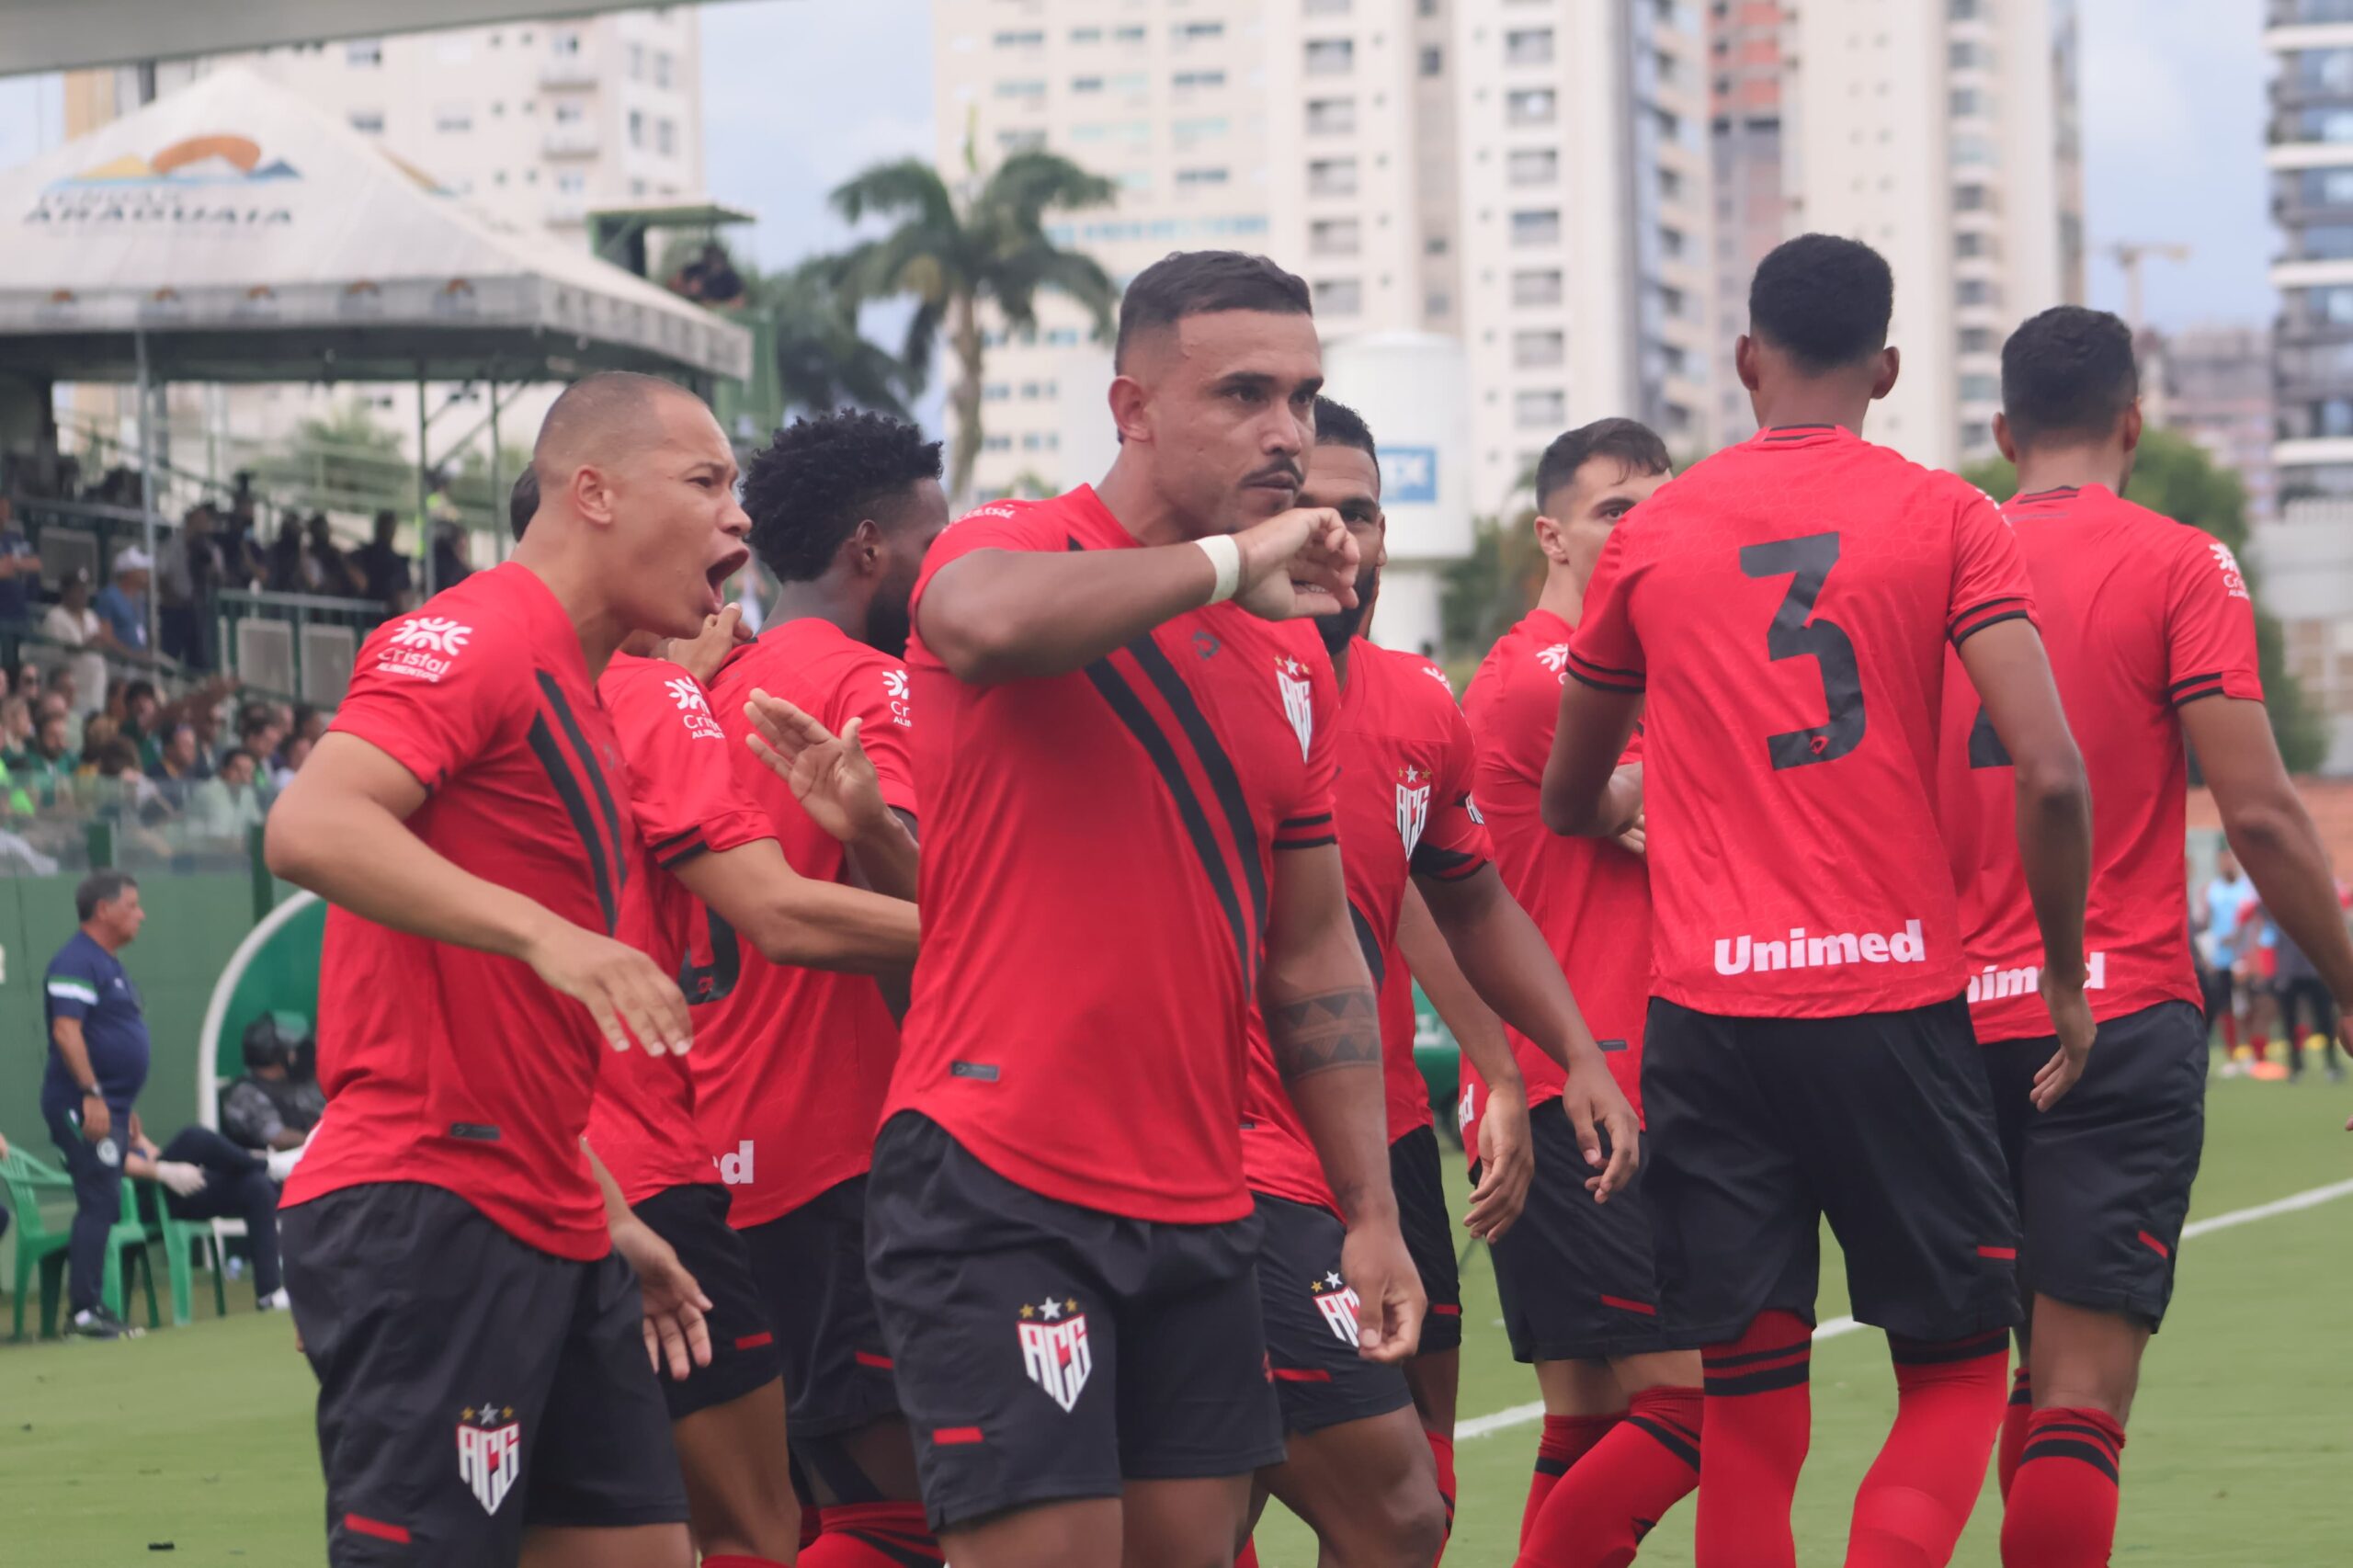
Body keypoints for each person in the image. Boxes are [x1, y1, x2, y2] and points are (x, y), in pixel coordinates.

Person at [1540, 233, 2095, 1568]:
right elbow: (2052, 771)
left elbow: (1567, 794)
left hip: (1709, 1017)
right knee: (1956, 1372)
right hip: (1890, 1000)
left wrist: (1634, 799)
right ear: (1886, 369)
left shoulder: (1651, 532)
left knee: (1747, 1408)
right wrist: (2065, 979)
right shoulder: (1950, 515)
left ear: (1746, 359)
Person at [873, 250, 1431, 1568]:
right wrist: (1234, 560)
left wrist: (1369, 1208)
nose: (1286, 430)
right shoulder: (1016, 541)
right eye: (1244, 394)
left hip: (1203, 1194)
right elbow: (978, 622)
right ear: (1131, 408)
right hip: (1002, 1174)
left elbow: (1315, 954)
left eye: (1302, 395)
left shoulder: (1290, 652)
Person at [264, 370, 756, 1568]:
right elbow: (310, 825)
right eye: (706, 480)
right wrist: (552, 933)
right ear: (593, 491)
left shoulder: (588, 701)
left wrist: (611, 1211)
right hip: (431, 1200)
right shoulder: (480, 633)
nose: (737, 515)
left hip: (559, 1210)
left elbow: (498, 1029)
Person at [1938, 308, 2353, 1567]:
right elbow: (2261, 814)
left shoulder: (1936, 561)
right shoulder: (2179, 561)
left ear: (2003, 431)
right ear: (2134, 421)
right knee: (2080, 1394)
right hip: (2113, 1007)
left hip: (1944, 1025)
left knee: (2022, 1370)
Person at [1232, 401, 1636, 1568]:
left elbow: (1449, 893)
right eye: (1308, 509)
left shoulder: (1415, 704)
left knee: (1421, 1487)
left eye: (1359, 512)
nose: (1335, 537)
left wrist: (1552, 1058)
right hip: (1226, 1147)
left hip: (1384, 1132)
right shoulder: (1188, 678)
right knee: (1284, 1499)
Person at [515, 464, 926, 1568]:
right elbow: (780, 911)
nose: (729, 530)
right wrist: (1012, 942)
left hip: (529, 1168)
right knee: (786, 1525)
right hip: (701, 1160)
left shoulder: (494, 682)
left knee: (605, 1531)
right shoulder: (726, 691)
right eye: (700, 489)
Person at [691, 409, 948, 1566]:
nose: (947, 575)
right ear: (870, 547)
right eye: (933, 544)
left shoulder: (705, 683)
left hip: (715, 1153)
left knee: (772, 1518)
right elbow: (912, 873)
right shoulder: (868, 685)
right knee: (905, 1516)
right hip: (840, 1152)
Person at [1458, 416, 1710, 1565]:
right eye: (1616, 510)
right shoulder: (1540, 679)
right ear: (1551, 536)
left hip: (1592, 1073)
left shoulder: (1637, 676)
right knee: (1692, 1407)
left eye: (1663, 504)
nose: (1646, 526)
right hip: (1582, 1083)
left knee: (1588, 1413)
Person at [39, 870, 153, 1340]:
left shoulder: (108, 964)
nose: (141, 915)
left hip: (109, 1105)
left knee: (104, 1200)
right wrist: (92, 1093)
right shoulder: (76, 960)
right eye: (132, 905)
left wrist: (122, 1104)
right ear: (103, 910)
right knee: (98, 1199)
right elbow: (66, 1031)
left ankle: (91, 1308)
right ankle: (84, 1313)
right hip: (80, 1104)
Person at [124, 1122, 290, 1310]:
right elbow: (112, 1160)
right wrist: (161, 1171)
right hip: (131, 1201)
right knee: (194, 1139)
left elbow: (148, 1151)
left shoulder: (120, 1116)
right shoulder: (97, 1115)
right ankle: (269, 1166)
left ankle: (269, 1295)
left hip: (162, 1193)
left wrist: (150, 1152)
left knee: (256, 1186)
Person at [219, 1011, 326, 1155]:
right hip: (266, 1166)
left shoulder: (292, 1084)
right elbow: (279, 1138)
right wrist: (324, 1144)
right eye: (290, 1051)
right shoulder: (245, 1093)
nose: (295, 1055)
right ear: (278, 1055)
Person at [2199, 851, 2255, 1059]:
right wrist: (2208, 952)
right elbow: (2204, 923)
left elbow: (2254, 920)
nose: (2227, 866)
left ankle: (2249, 1051)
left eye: (2230, 862)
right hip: (2220, 959)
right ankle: (2232, 1054)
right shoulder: (2211, 890)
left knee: (2245, 1005)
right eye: (2223, 862)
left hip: (2243, 957)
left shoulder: (2247, 888)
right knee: (2225, 1007)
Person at [43, 568, 117, 717]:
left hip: (95, 689)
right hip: (73, 691)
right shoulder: (55, 617)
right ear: (65, 591)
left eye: (84, 589)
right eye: (78, 589)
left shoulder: (91, 616)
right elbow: (61, 653)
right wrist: (88, 644)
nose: (83, 593)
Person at [188, 746, 268, 839]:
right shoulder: (208, 792)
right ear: (223, 770)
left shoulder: (247, 794)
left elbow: (257, 825)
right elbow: (215, 837)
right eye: (238, 770)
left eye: (248, 772)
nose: (243, 777)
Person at [354, 509, 415, 609]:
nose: (388, 531)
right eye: (385, 527)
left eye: (390, 527)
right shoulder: (367, 555)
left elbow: (405, 594)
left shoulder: (398, 562)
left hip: (391, 612)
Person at [95, 547, 151, 653]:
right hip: (117, 661)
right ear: (129, 572)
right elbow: (105, 637)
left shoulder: (140, 598)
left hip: (140, 660)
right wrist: (131, 655)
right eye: (141, 568)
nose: (146, 571)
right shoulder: (109, 596)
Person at [0, 494, 42, 625]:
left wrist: (13, 563)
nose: (2, 512)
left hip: (19, 612)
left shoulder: (15, 537)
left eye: (5, 509)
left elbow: (36, 563)